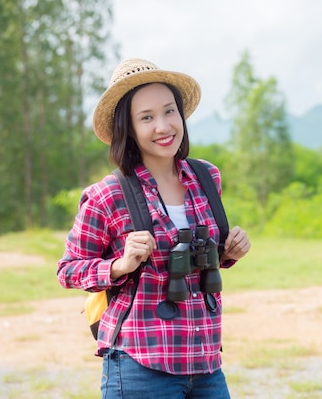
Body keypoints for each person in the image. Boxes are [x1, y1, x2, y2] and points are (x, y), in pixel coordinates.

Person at [57, 58, 251, 399]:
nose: (163, 126)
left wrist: (228, 251)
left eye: (169, 111)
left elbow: (202, 259)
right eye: (146, 117)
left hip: (205, 362)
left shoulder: (207, 177)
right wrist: (119, 266)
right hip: (140, 365)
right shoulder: (108, 195)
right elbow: (68, 269)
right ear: (128, 129)